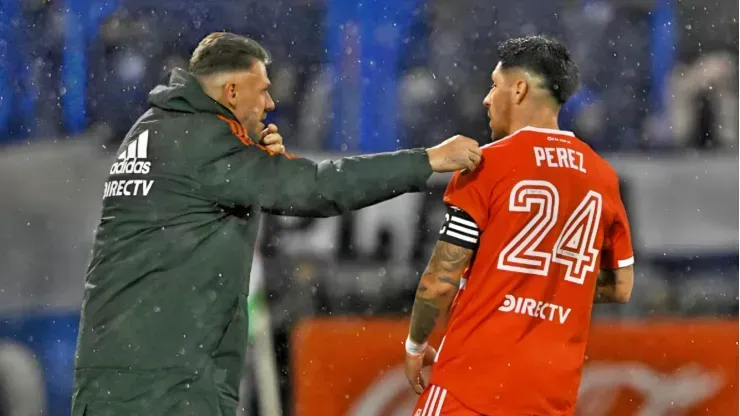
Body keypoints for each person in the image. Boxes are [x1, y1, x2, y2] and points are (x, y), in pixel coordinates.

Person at [71, 32, 481, 416]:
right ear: (232, 92)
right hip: (166, 384)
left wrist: (254, 161)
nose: (269, 103)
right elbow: (317, 188)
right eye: (262, 89)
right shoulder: (204, 142)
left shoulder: (153, 128)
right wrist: (426, 161)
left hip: (113, 374)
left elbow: (197, 209)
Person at [403, 36, 635, 416]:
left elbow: (440, 280)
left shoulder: (486, 165)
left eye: (494, 85)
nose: (486, 99)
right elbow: (621, 287)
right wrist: (551, 289)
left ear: (520, 89)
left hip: (471, 386)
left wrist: (415, 344)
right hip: (549, 396)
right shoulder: (603, 177)